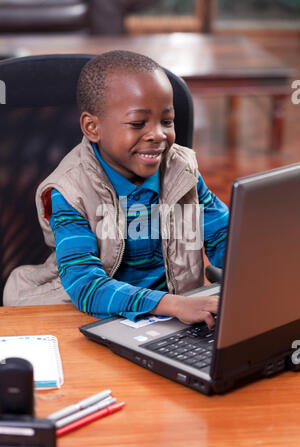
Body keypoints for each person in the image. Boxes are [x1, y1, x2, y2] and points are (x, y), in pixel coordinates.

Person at [3, 50, 229, 329]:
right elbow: (87, 286)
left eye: (167, 121)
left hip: (168, 320)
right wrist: (173, 305)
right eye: (137, 123)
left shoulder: (182, 171)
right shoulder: (68, 192)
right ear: (92, 127)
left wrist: (258, 264)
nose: (158, 134)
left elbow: (224, 237)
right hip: (88, 316)